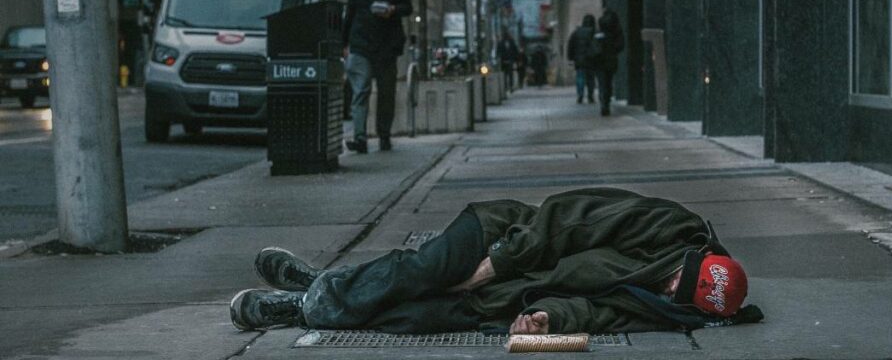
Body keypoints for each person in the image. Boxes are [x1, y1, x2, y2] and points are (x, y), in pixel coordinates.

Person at [229, 187, 762, 335]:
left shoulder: (672, 308)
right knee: (420, 273)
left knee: (414, 317)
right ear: (695, 256)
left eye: (680, 296)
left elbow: (605, 315)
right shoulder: (668, 225)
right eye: (677, 278)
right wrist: (496, 262)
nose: (669, 290)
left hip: (510, 295)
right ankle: (301, 305)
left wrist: (551, 320)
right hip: (502, 237)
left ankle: (316, 288)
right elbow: (568, 218)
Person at [342, 0, 412, 153]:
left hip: (386, 45)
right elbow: (350, 12)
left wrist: (392, 9)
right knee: (360, 90)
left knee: (386, 93)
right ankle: (360, 138)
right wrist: (343, 42)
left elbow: (407, 7)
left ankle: (384, 135)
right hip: (361, 43)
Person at [594, 9, 625, 116]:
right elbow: (621, 45)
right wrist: (613, 49)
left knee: (602, 82)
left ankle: (603, 102)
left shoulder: (599, 29)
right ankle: (606, 101)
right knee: (608, 82)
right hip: (611, 59)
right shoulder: (616, 30)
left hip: (599, 60)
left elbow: (594, 44)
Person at [566, 14, 598, 104]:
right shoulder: (595, 32)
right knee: (591, 78)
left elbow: (570, 45)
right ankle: (590, 96)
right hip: (591, 59)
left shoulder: (576, 32)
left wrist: (570, 57)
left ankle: (580, 95)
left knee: (580, 77)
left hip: (579, 59)